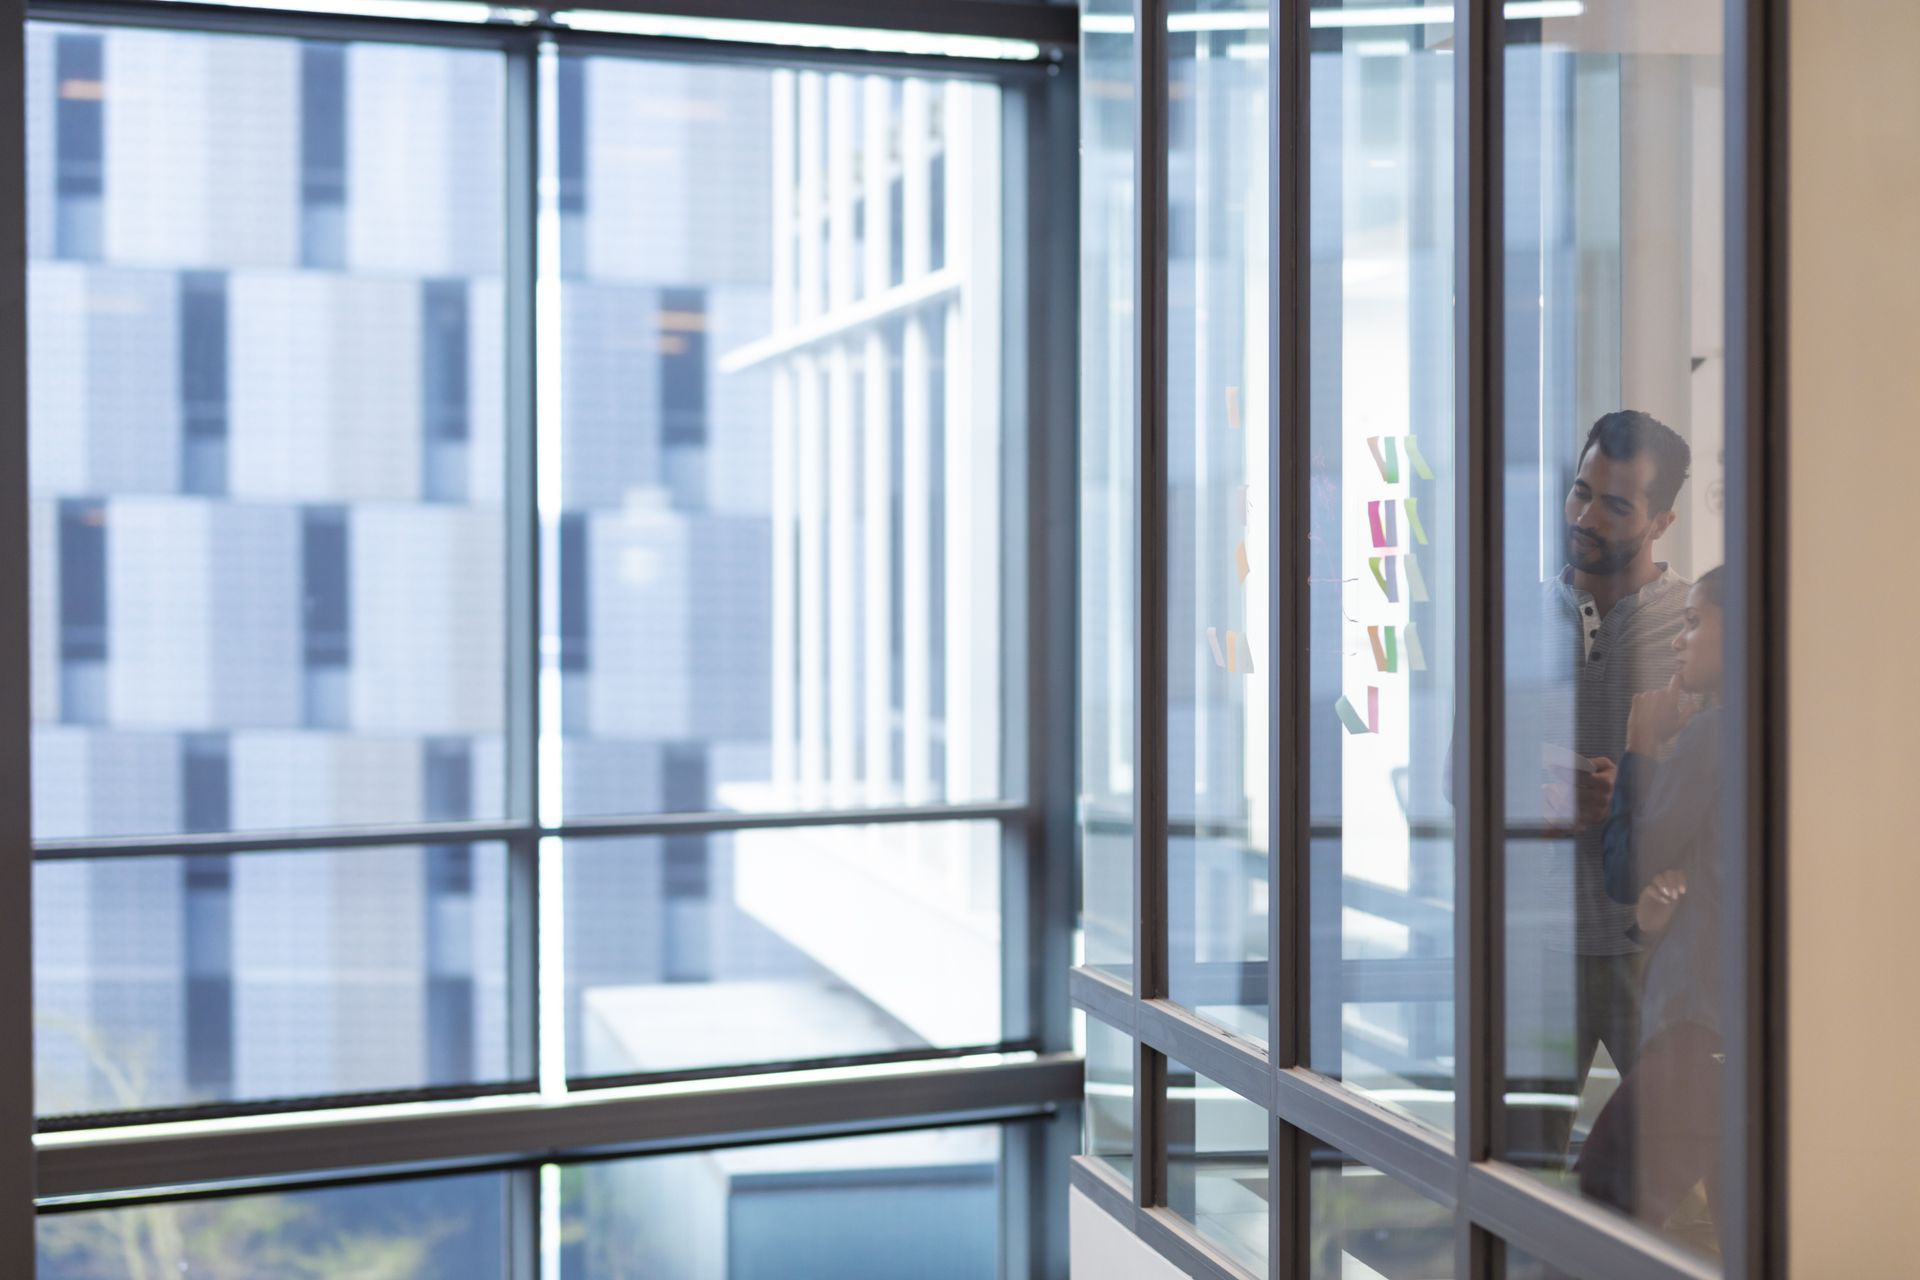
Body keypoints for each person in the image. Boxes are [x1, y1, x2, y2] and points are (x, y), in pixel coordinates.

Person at [1503, 410, 1694, 1168]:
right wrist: (1531, 799)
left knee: (1682, 1171)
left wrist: (1637, 795)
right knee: (1518, 1174)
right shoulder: (1513, 618)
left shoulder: (1700, 626)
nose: (1584, 517)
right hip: (1535, 951)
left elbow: (1744, 780)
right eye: (1580, 493)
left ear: (1662, 520)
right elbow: (1455, 776)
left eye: (1614, 505)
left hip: (1656, 947)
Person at [1577, 566, 1728, 1239]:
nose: (1679, 641)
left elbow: (1624, 867)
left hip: (1698, 1034)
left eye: (1695, 623)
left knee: (1598, 1206)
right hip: (1731, 1035)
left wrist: (1641, 740)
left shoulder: (1713, 736)